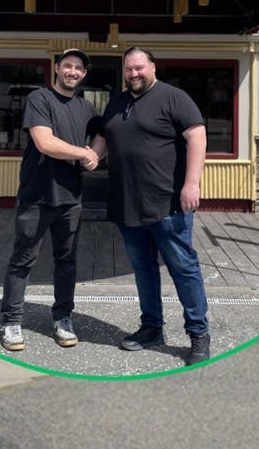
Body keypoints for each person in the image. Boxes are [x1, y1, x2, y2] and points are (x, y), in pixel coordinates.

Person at [90, 46, 211, 366]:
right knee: (143, 270)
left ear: (153, 67)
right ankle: (152, 328)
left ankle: (198, 334)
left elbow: (197, 137)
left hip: (167, 202)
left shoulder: (174, 97)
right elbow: (104, 137)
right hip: (127, 203)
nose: (134, 74)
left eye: (139, 68)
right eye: (128, 69)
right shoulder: (117, 102)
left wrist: (192, 183)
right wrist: (89, 157)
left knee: (183, 269)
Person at [0, 49, 101, 352]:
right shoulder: (39, 99)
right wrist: (84, 154)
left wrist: (96, 154)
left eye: (78, 68)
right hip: (37, 197)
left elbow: (104, 133)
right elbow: (45, 142)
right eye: (67, 65)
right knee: (22, 260)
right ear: (57, 68)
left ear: (84, 74)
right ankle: (11, 321)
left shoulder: (86, 108)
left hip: (71, 198)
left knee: (66, 261)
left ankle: (63, 318)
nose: (72, 71)